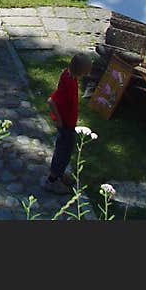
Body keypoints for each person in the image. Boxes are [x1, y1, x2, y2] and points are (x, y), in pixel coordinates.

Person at [43, 53, 93, 194]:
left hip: (68, 123)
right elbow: (51, 101)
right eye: (87, 70)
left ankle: (59, 174)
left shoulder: (69, 75)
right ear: (81, 70)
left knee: (67, 150)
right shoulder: (69, 82)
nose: (88, 73)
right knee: (62, 152)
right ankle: (52, 181)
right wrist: (59, 121)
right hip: (65, 125)